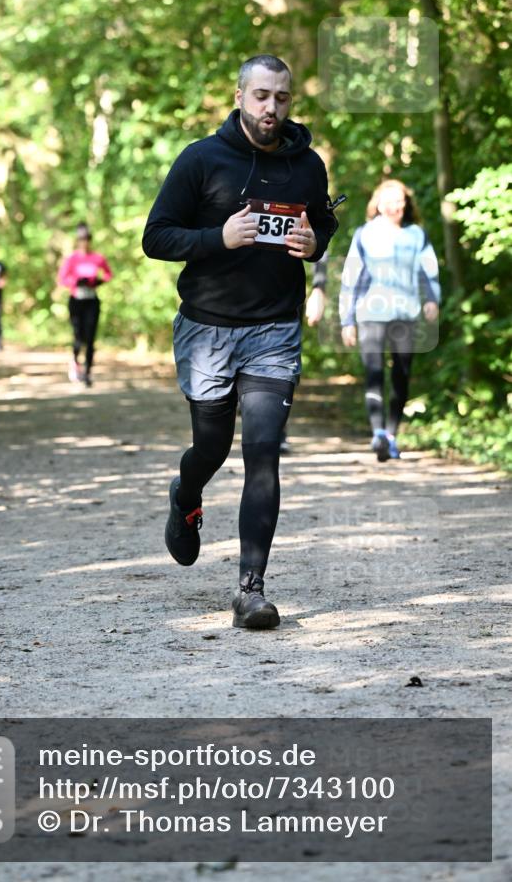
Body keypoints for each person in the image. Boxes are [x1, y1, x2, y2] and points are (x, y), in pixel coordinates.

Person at [143, 54, 338, 630]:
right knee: (211, 448)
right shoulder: (202, 159)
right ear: (239, 97)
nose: (271, 109)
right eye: (261, 97)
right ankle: (187, 493)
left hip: (274, 330)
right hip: (207, 330)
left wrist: (314, 242)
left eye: (280, 98)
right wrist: (218, 237)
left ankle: (250, 590)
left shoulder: (308, 165)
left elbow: (321, 222)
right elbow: (156, 237)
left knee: (263, 452)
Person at [339, 178, 440, 461]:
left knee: (401, 375)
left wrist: (432, 299)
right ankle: (378, 435)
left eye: (400, 201)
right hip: (371, 313)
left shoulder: (416, 235)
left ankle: (392, 433)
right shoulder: (364, 234)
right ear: (379, 204)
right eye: (390, 201)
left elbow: (427, 271)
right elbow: (350, 278)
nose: (395, 206)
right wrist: (347, 319)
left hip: (406, 315)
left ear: (405, 204)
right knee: (374, 373)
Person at [279, 252, 329, 455]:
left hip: (285, 297)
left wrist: (319, 288)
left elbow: (319, 236)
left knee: (284, 366)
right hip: (230, 298)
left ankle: (278, 431)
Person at [57, 223, 113, 387]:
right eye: (82, 239)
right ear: (78, 241)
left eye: (87, 239)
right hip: (76, 301)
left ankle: (87, 372)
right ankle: (75, 362)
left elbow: (108, 274)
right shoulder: (72, 259)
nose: (85, 242)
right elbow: (62, 279)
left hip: (92, 301)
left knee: (90, 338)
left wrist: (99, 281)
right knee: (78, 337)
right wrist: (75, 282)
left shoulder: (98, 258)